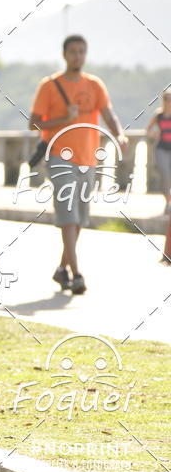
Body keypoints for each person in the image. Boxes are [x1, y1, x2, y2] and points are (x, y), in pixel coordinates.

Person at [29, 35, 127, 294]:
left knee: (80, 218)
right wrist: (63, 119)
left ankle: (62, 269)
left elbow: (108, 114)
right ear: (64, 55)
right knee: (69, 216)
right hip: (59, 157)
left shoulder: (94, 85)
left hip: (88, 159)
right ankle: (77, 274)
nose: (77, 56)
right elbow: (34, 123)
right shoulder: (50, 86)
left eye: (81, 51)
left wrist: (119, 135)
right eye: (73, 51)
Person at [145, 91, 171, 214]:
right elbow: (148, 130)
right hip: (161, 148)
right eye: (166, 99)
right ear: (163, 101)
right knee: (165, 175)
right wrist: (153, 134)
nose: (168, 102)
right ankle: (168, 201)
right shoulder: (158, 115)